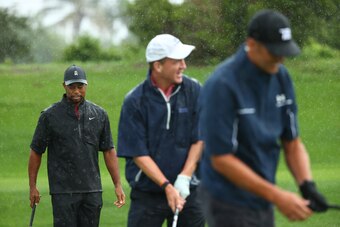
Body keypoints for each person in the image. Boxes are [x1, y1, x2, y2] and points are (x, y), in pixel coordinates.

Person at [199, 9, 329, 227]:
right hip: (226, 199)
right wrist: (278, 196)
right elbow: (221, 159)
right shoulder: (222, 85)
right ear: (252, 44)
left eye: (284, 51)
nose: (281, 58)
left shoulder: (281, 76)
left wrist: (307, 185)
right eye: (274, 51)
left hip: (262, 195)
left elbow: (292, 142)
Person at [117, 34, 205, 227]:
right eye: (177, 61)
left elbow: (200, 137)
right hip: (147, 194)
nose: (184, 65)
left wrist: (185, 176)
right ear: (158, 66)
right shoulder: (135, 101)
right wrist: (166, 185)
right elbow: (138, 152)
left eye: (184, 60)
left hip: (188, 191)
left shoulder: (194, 90)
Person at [28, 65, 125, 227]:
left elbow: (108, 151)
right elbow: (36, 152)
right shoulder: (49, 116)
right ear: (64, 86)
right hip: (63, 192)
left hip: (92, 191)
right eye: (71, 87)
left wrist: (117, 184)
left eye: (80, 87)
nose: (76, 91)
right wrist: (33, 186)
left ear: (86, 86)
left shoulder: (99, 114)